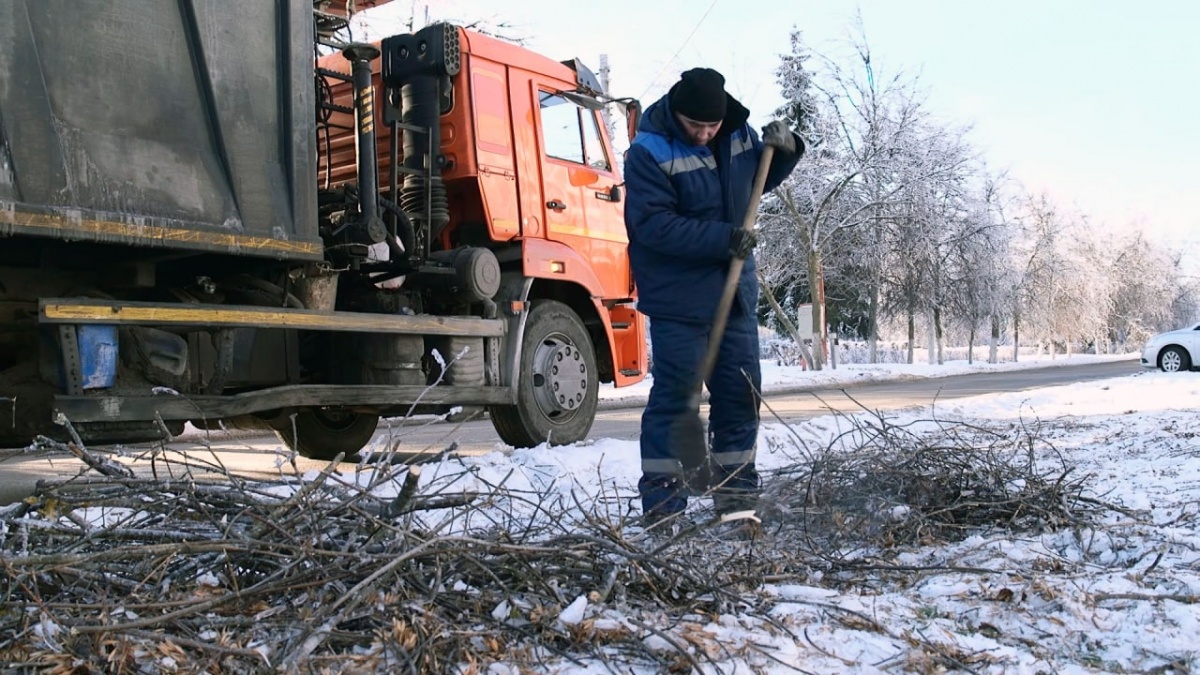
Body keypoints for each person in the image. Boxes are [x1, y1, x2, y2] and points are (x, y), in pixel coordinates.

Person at [623, 67, 804, 526]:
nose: (704, 134)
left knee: (740, 398)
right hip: (679, 300)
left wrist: (787, 151)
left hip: (736, 296)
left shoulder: (737, 133)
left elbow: (755, 182)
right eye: (695, 126)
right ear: (677, 113)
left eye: (712, 126)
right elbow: (652, 225)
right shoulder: (648, 151)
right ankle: (664, 513)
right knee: (677, 402)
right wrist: (723, 239)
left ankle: (737, 504)